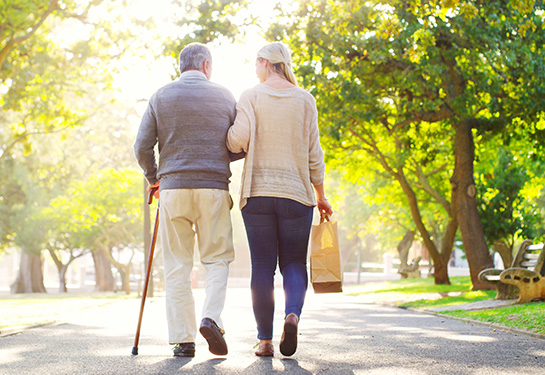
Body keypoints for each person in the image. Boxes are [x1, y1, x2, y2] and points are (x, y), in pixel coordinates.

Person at [134, 42, 243, 358]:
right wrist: (219, 156)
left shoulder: (161, 96)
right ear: (207, 66)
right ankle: (211, 317)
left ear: (180, 66)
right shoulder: (225, 95)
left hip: (173, 188)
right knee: (217, 257)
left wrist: (154, 178)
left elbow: (141, 147)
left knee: (177, 264)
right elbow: (240, 142)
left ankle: (184, 340)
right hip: (213, 188)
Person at [226, 42, 333, 357]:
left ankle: (265, 341)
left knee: (262, 265)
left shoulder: (251, 96)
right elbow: (315, 153)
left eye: (255, 63)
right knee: (294, 263)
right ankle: (292, 315)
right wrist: (321, 195)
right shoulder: (304, 100)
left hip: (257, 194)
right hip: (297, 196)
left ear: (263, 62)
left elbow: (237, 139)